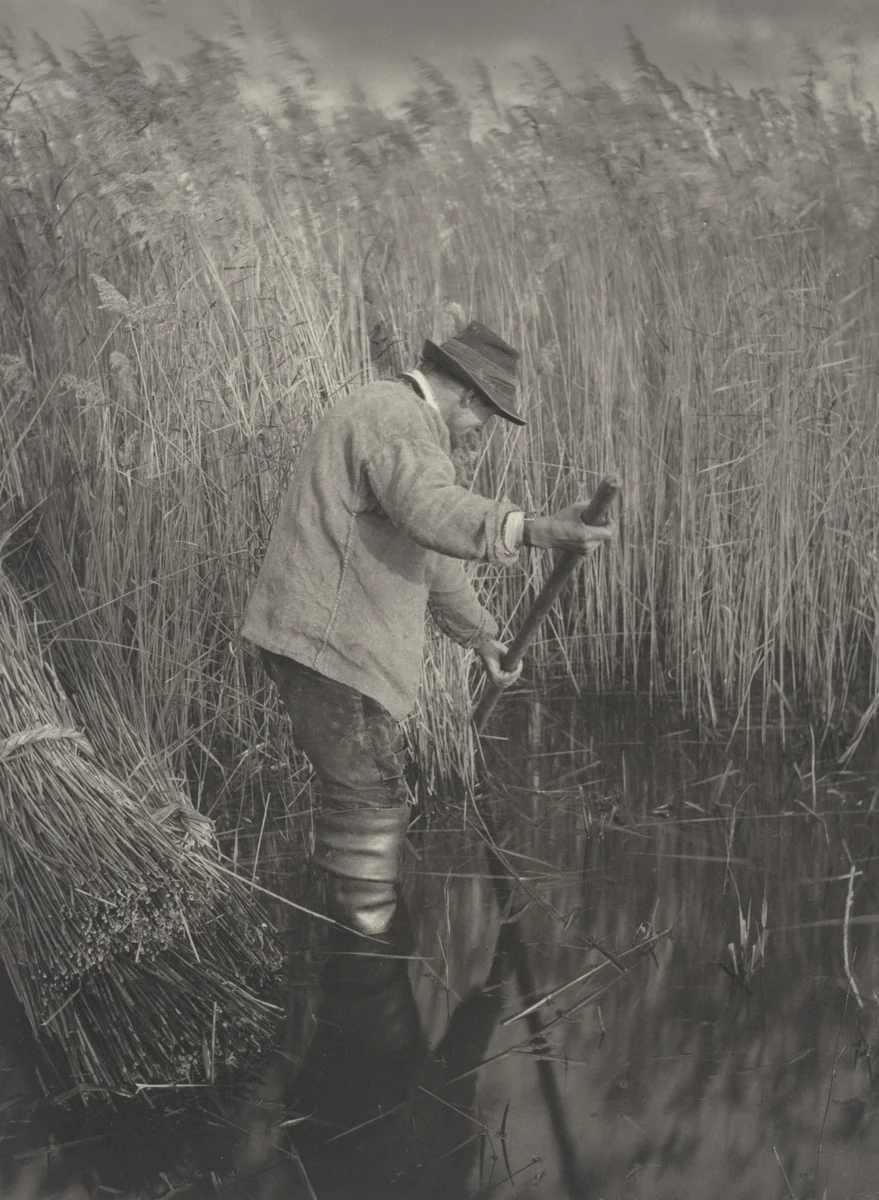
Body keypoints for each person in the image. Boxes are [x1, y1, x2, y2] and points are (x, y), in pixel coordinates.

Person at [241, 320, 613, 936]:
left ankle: (341, 942)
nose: (479, 433)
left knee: (362, 791)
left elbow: (430, 549)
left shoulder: (396, 420)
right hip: (330, 646)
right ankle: (366, 966)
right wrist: (537, 527)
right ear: (467, 395)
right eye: (485, 418)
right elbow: (430, 509)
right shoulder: (396, 418)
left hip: (327, 646)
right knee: (372, 796)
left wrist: (481, 635)